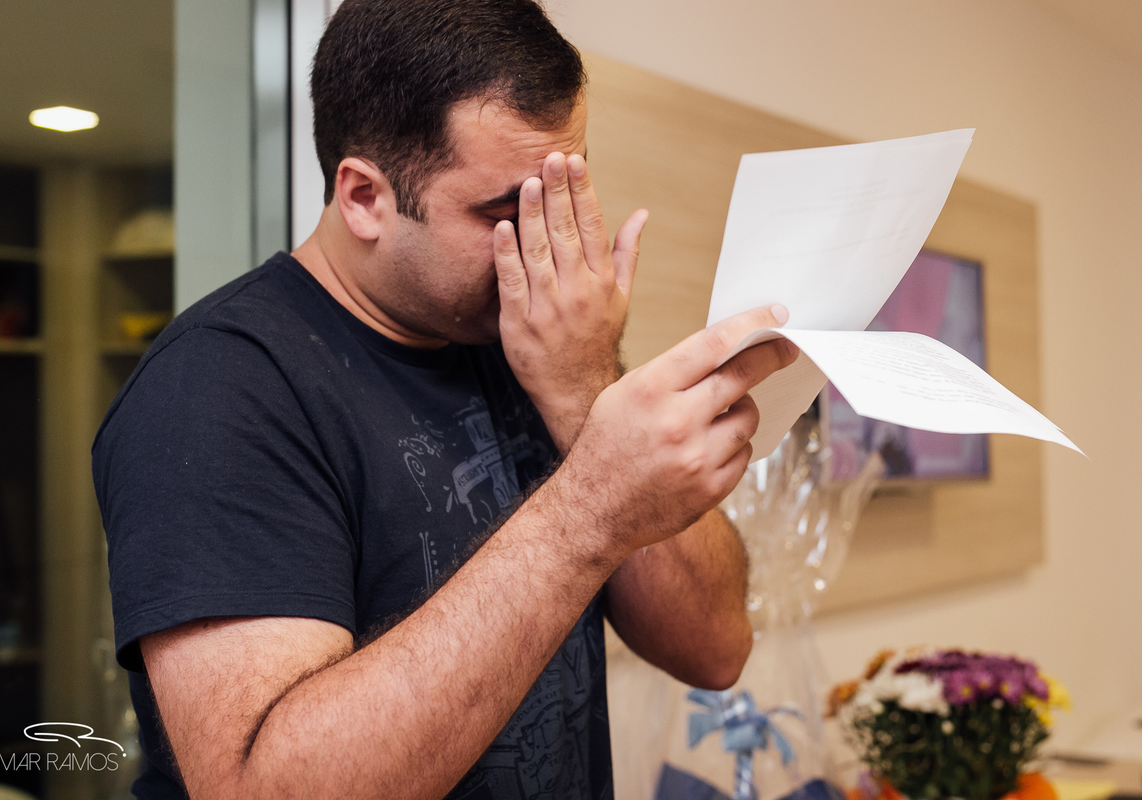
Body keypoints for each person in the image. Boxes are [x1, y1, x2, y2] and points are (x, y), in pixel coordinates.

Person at [92, 1, 799, 798]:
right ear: (364, 197)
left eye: (563, 194)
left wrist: (585, 389)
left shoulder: (535, 343)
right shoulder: (220, 389)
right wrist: (590, 505)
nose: (547, 247)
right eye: (506, 214)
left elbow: (715, 647)